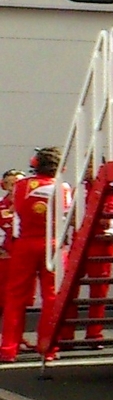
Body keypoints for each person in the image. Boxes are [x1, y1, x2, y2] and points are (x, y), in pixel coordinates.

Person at [0, 150, 60, 362]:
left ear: (34, 164)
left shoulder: (21, 186)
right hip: (53, 243)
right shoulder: (62, 186)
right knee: (51, 297)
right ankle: (48, 348)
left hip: (24, 243)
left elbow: (15, 215)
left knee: (14, 297)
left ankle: (8, 349)